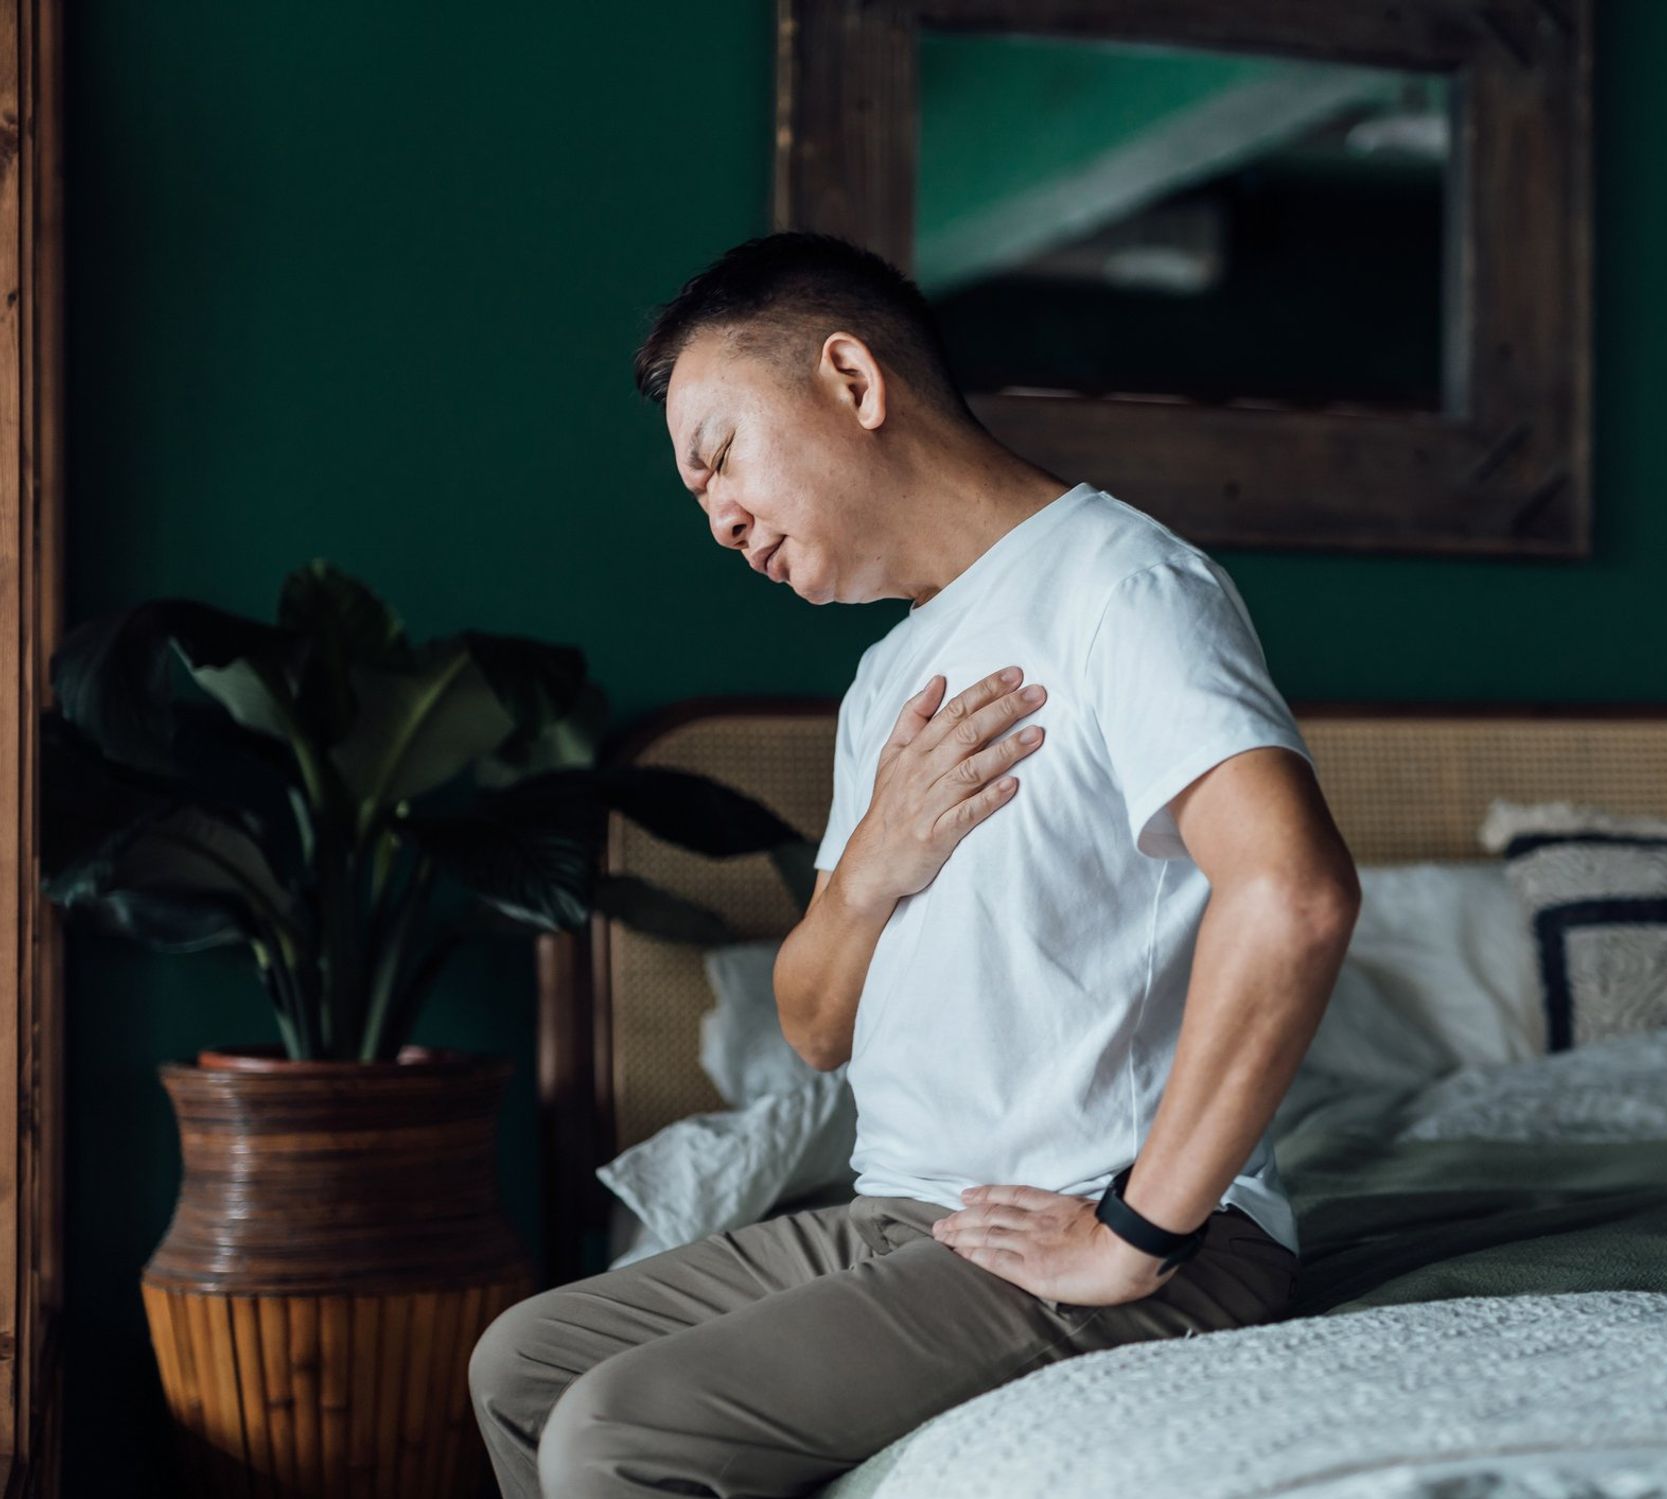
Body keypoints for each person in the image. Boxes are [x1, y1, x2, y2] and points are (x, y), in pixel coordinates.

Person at [469, 230, 1361, 1499]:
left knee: (620, 1431)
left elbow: (1293, 894)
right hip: (909, 1211)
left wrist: (1138, 1231)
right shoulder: (888, 675)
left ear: (850, 379)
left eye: (716, 456)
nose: (716, 519)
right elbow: (813, 1024)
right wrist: (874, 861)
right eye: (697, 497)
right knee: (521, 1362)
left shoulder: (1126, 585)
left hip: (1119, 1226)